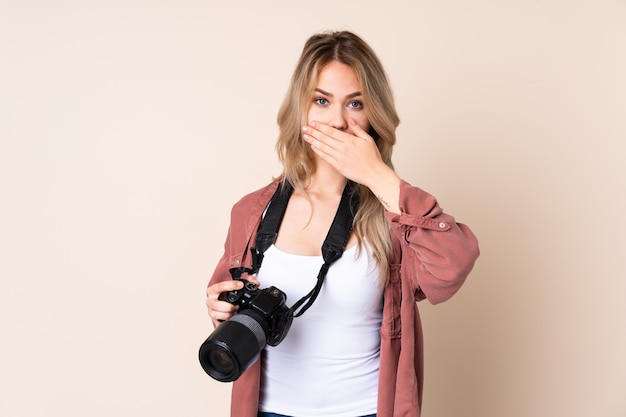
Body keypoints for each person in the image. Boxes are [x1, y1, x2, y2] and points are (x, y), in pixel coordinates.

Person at [205, 30, 479, 417]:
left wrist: (379, 176)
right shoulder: (253, 212)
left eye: (355, 104)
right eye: (321, 100)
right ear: (300, 108)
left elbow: (451, 268)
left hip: (365, 409)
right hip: (268, 409)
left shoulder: (393, 214)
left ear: (373, 115)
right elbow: (225, 300)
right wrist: (220, 307)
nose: (337, 121)